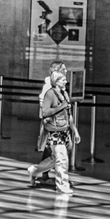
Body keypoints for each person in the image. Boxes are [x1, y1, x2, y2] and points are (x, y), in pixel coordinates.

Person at [31, 67, 79, 195]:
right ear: (56, 81)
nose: (65, 82)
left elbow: (69, 115)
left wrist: (75, 131)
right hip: (54, 132)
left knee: (55, 158)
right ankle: (62, 185)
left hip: (65, 132)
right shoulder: (50, 94)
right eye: (63, 80)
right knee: (62, 160)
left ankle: (34, 171)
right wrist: (60, 107)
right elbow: (45, 112)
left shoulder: (65, 94)